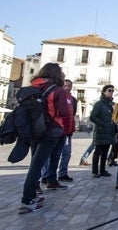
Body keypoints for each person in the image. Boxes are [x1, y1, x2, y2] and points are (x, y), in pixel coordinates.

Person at [19, 63, 72, 214]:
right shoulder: (57, 90)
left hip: (35, 129)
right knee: (38, 163)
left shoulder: (34, 87)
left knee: (35, 162)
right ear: (57, 74)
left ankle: (32, 194)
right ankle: (27, 200)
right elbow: (62, 112)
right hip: (51, 129)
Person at [89, 85, 116, 178]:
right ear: (104, 92)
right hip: (101, 131)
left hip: (109, 132)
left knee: (105, 152)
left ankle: (103, 170)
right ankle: (95, 171)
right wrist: (102, 124)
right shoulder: (99, 104)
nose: (111, 92)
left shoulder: (110, 105)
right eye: (109, 90)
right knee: (98, 151)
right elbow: (92, 116)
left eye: (112, 91)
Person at [58, 80, 78, 182]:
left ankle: (62, 173)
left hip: (67, 131)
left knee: (66, 153)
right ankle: (46, 175)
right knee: (53, 154)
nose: (67, 87)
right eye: (65, 85)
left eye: (69, 86)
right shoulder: (58, 98)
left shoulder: (73, 100)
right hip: (57, 130)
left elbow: (73, 115)